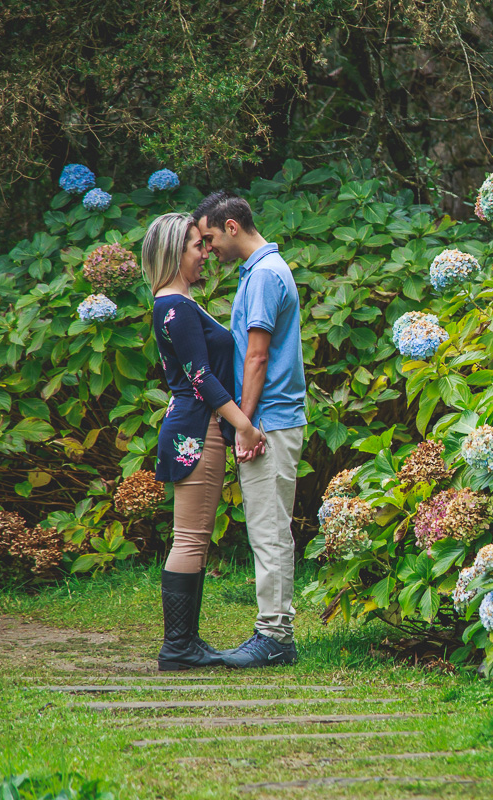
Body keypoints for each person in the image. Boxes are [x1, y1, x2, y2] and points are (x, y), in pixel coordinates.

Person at [142, 212, 266, 671]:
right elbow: (200, 377)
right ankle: (179, 645)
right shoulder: (173, 306)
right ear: (176, 252)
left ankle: (185, 642)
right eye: (197, 246)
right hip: (196, 429)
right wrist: (245, 426)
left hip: (197, 426)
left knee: (192, 538)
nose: (205, 254)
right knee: (191, 540)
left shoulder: (179, 304)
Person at [195, 191, 307, 669]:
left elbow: (257, 356)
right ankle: (273, 631)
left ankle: (275, 637)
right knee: (267, 527)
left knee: (268, 530)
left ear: (232, 227)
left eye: (210, 237)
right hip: (271, 419)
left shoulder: (262, 276)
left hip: (269, 423)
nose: (207, 248)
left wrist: (244, 423)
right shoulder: (265, 270)